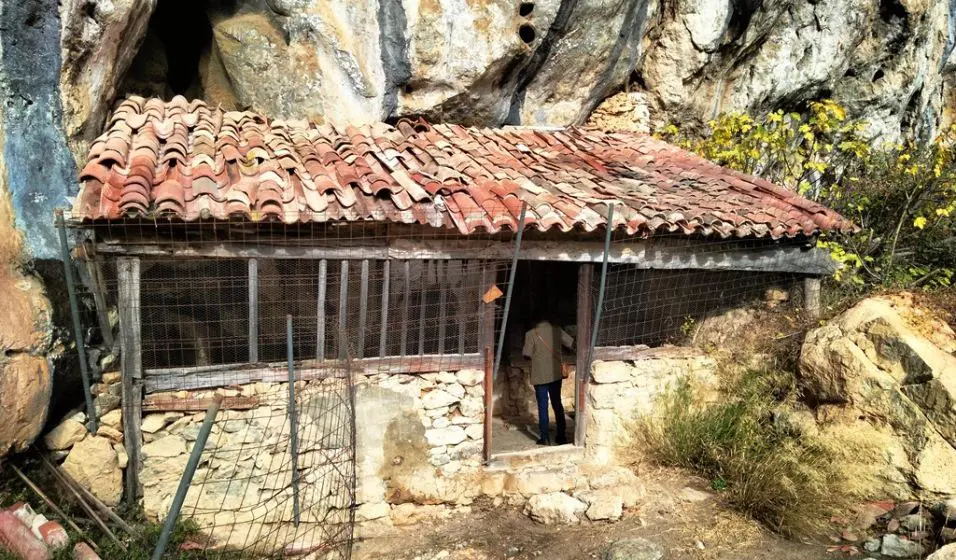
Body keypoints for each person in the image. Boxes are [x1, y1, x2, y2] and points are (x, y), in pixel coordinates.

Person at [522, 317, 574, 445]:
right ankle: (561, 436)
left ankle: (544, 437)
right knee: (557, 404)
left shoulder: (531, 334)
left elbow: (526, 354)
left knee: (542, 406)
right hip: (555, 374)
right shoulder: (557, 330)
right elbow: (571, 343)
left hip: (540, 376)